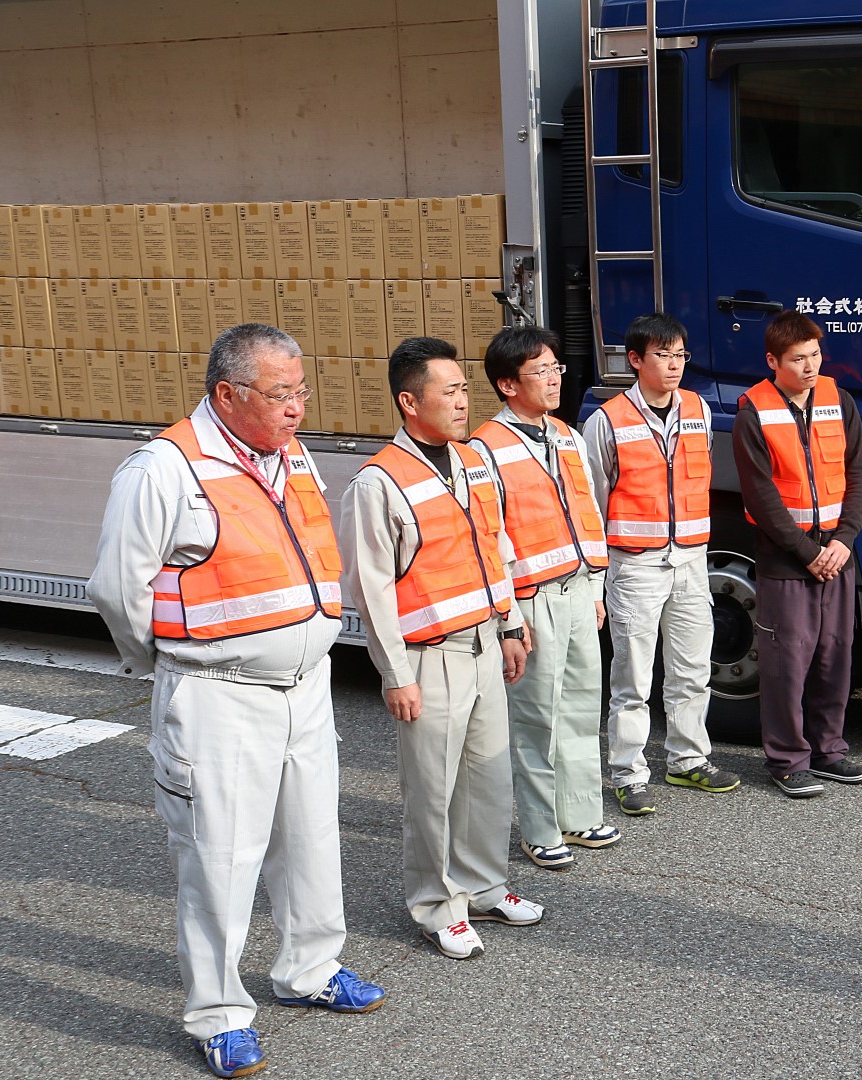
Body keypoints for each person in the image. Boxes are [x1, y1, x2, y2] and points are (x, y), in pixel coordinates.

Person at [89, 323, 385, 1079]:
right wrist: (168, 663)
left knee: (312, 841)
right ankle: (218, 1014)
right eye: (280, 395)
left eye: (301, 390)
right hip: (219, 696)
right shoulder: (166, 468)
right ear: (228, 394)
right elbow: (117, 587)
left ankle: (311, 970)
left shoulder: (288, 452)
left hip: (305, 690)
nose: (298, 408)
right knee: (220, 861)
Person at [338, 336, 545, 961]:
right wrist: (395, 674)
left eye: (463, 391)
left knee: (487, 780)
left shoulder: (472, 459)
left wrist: (509, 624)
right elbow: (371, 590)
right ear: (410, 401)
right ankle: (437, 904)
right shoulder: (378, 482)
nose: (463, 403)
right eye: (449, 392)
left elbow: (495, 546)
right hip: (429, 659)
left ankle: (484, 885)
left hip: (484, 644)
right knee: (431, 791)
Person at [469, 326, 617, 869]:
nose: (555, 378)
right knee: (536, 718)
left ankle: (579, 816)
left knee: (581, 708)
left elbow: (589, 514)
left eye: (556, 367)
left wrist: (597, 587)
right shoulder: (483, 448)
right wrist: (507, 615)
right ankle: (538, 827)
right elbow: (491, 538)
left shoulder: (567, 435)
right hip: (532, 601)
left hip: (578, 589)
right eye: (541, 371)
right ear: (508, 384)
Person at [583, 313, 739, 817]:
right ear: (635, 360)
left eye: (680, 356)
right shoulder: (606, 421)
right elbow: (594, 499)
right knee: (632, 675)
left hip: (692, 559)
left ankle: (688, 758)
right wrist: (599, 573)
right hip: (635, 565)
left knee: (693, 668)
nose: (674, 366)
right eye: (662, 356)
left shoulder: (698, 409)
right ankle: (628, 771)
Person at [731, 310, 862, 798]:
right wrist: (807, 551)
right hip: (788, 559)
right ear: (773, 360)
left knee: (836, 656)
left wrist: (843, 540)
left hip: (837, 553)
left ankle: (829, 750)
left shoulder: (839, 400)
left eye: (814, 355)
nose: (810, 366)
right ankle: (788, 759)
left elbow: (858, 475)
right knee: (787, 662)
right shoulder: (753, 409)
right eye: (797, 359)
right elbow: (760, 496)